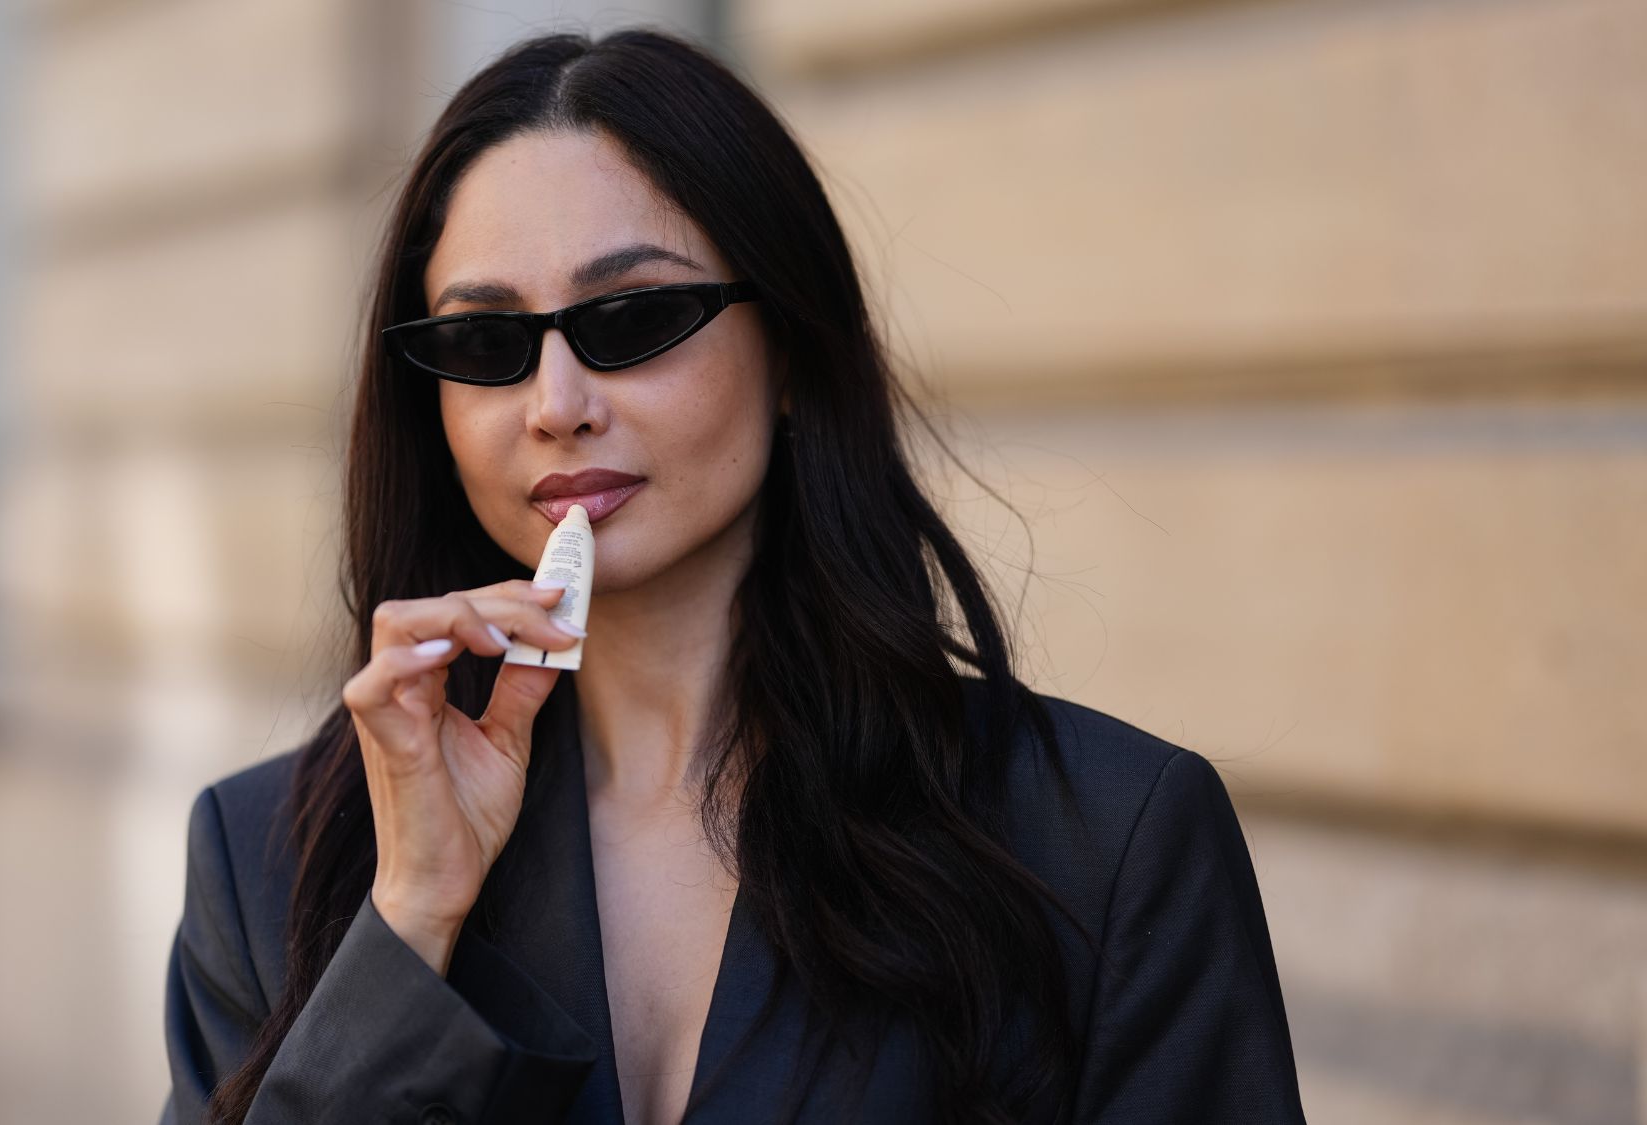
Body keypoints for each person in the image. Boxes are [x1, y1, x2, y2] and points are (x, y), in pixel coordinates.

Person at [159, 26, 1306, 1125]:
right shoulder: (274, 862)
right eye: (483, 342)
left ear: (797, 352)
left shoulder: (1099, 843)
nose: (557, 404)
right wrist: (409, 920)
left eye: (634, 315)